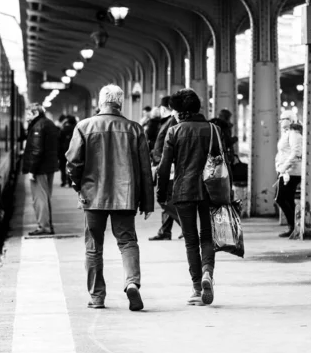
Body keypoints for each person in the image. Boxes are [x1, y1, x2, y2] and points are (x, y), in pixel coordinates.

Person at [66, 84, 154, 311]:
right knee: (127, 242)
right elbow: (145, 169)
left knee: (93, 246)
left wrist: (78, 186)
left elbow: (73, 163)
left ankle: (97, 297)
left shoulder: (84, 126)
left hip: (93, 197)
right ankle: (132, 282)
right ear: (120, 103)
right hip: (125, 197)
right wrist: (147, 201)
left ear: (100, 101)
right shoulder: (135, 129)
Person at [157, 89, 222, 306]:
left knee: (191, 240)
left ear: (180, 112)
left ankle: (196, 287)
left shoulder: (174, 132)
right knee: (207, 236)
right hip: (210, 190)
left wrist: (160, 192)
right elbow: (222, 162)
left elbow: (164, 167)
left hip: (183, 190)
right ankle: (207, 273)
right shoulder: (213, 129)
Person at [22, 103, 60, 236]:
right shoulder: (49, 123)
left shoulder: (38, 126)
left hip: (40, 168)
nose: (26, 117)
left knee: (39, 198)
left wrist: (32, 170)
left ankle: (43, 227)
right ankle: (48, 225)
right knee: (45, 197)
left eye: (28, 114)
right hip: (49, 167)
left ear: (35, 113)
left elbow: (37, 150)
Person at [149, 96, 182, 241]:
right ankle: (165, 231)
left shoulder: (171, 121)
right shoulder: (169, 121)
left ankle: (187, 227)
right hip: (166, 165)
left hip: (168, 167)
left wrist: (160, 162)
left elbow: (168, 144)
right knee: (168, 198)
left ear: (163, 108)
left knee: (164, 199)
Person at [274, 110, 303, 238]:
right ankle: (293, 227)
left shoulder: (294, 133)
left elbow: (296, 153)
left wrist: (283, 167)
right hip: (287, 171)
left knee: (280, 198)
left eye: (283, 118)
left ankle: (294, 226)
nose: (281, 121)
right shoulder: (287, 133)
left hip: (291, 172)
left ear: (290, 120)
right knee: (288, 199)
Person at [58, 115, 77, 187]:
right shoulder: (76, 128)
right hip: (73, 151)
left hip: (64, 151)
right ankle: (70, 182)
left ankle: (63, 181)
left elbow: (59, 140)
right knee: (71, 167)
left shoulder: (64, 129)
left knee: (63, 167)